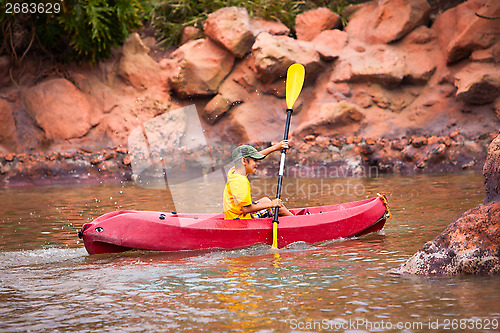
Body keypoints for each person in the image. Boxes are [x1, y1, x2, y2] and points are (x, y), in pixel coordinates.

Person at [223, 141, 294, 220]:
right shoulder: (240, 181)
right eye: (255, 161)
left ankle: (291, 217)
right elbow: (245, 209)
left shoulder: (235, 172)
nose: (257, 163)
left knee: (265, 200)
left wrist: (275, 148)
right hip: (240, 220)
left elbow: (255, 156)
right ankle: (296, 221)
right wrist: (271, 204)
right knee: (277, 208)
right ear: (244, 161)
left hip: (234, 214)